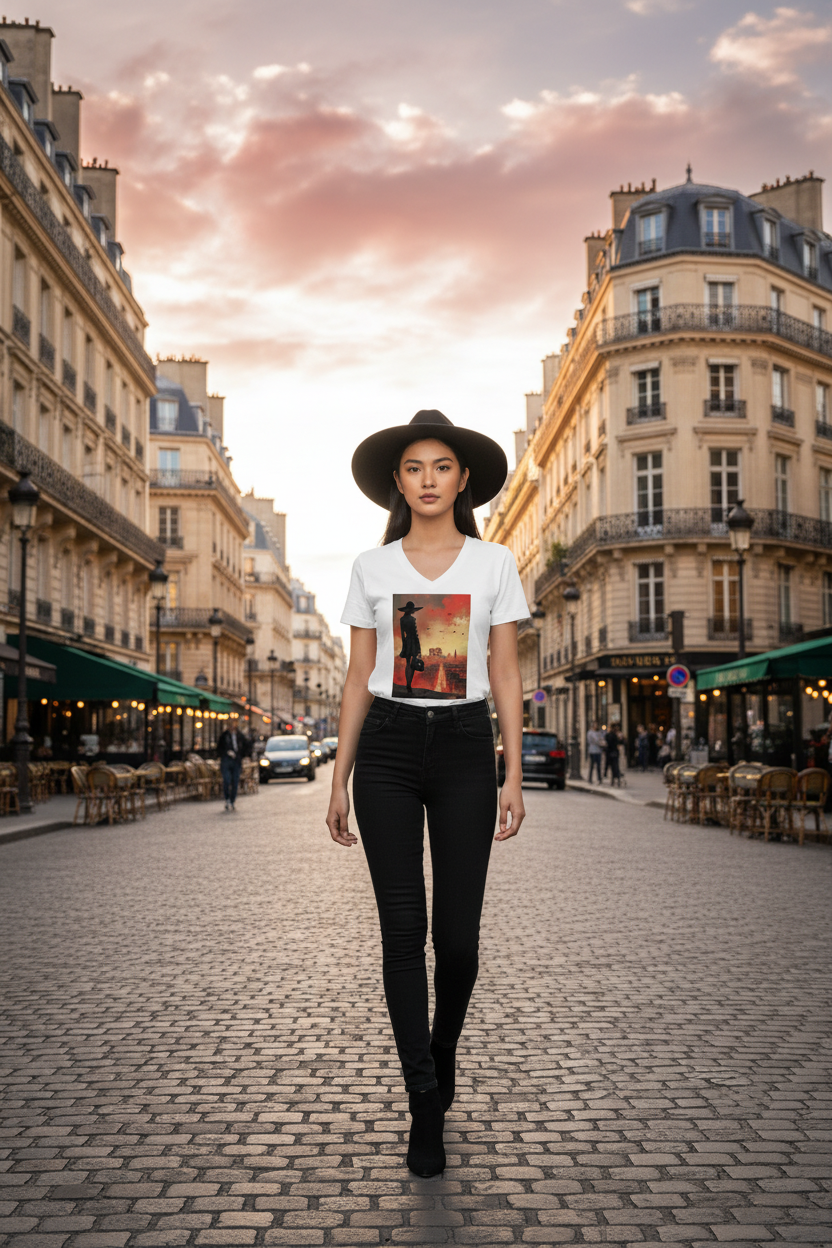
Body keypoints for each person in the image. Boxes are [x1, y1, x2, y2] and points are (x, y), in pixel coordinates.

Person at [327, 409, 528, 1179]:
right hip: (385, 748)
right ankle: (423, 1102)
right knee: (401, 935)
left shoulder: (495, 563)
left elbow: (506, 672)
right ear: (397, 482)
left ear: (463, 478)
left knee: (460, 943)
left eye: (442, 466)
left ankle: (439, 1059)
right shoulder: (371, 570)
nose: (429, 479)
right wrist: (339, 778)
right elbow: (355, 677)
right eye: (415, 468)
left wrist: (511, 769)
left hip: (468, 749)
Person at [217, 723, 250, 810]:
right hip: (226, 761)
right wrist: (227, 752)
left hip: (236, 761)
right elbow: (219, 748)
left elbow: (246, 746)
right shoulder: (224, 736)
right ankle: (227, 798)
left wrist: (242, 756)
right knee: (227, 780)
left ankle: (232, 800)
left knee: (235, 781)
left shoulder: (240, 736)